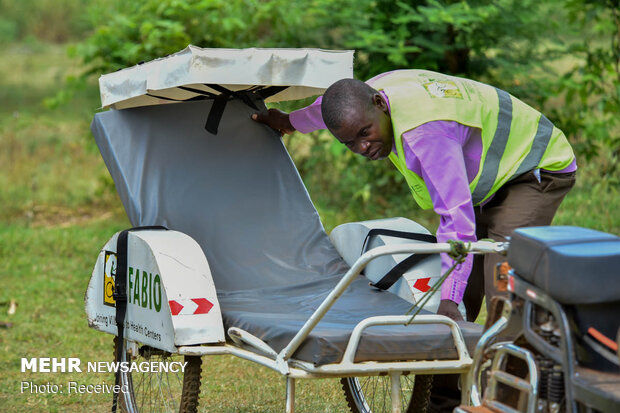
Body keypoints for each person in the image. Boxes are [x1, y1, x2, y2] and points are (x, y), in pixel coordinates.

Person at [252, 69, 576, 323]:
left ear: (380, 104)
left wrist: (448, 301)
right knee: (462, 291)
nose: (363, 147)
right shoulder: (368, 96)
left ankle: (505, 399)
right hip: (488, 175)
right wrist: (288, 122)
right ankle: (441, 404)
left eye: (365, 133)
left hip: (534, 167)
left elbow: (456, 219)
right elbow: (329, 108)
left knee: (501, 289)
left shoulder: (424, 136)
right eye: (350, 143)